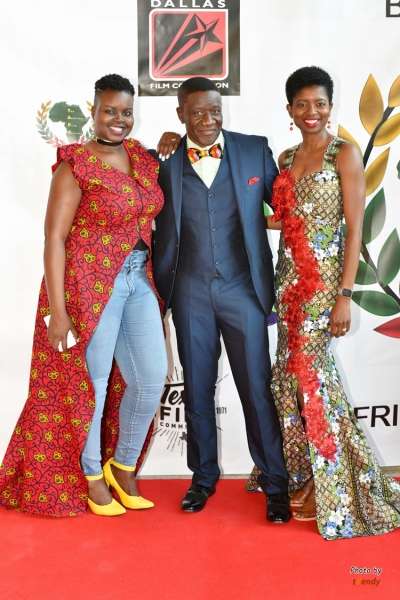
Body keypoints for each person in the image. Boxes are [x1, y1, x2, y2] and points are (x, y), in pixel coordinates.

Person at [0, 74, 167, 517]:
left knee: (151, 379)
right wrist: (58, 312)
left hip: (138, 279)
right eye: (109, 110)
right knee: (92, 386)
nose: (119, 119)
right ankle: (92, 474)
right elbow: (54, 239)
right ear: (93, 111)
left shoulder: (141, 157)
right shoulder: (75, 164)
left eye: (126, 111)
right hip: (89, 284)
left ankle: (122, 466)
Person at [246, 66, 400, 540]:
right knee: (287, 377)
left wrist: (344, 296)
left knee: (311, 379)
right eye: (302, 104)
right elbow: (288, 218)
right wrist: (253, 218)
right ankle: (303, 470)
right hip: (288, 281)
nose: (311, 112)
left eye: (319, 103)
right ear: (290, 110)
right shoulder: (287, 156)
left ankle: (335, 481)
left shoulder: (344, 153)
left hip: (326, 285)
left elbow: (354, 230)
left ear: (331, 107)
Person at [151, 77, 290, 523]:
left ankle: (275, 483)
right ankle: (203, 476)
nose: (208, 120)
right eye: (197, 113)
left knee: (257, 389)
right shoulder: (164, 160)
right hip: (189, 290)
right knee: (196, 389)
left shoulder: (254, 149)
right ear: (180, 115)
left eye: (215, 110)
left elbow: (286, 207)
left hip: (243, 290)